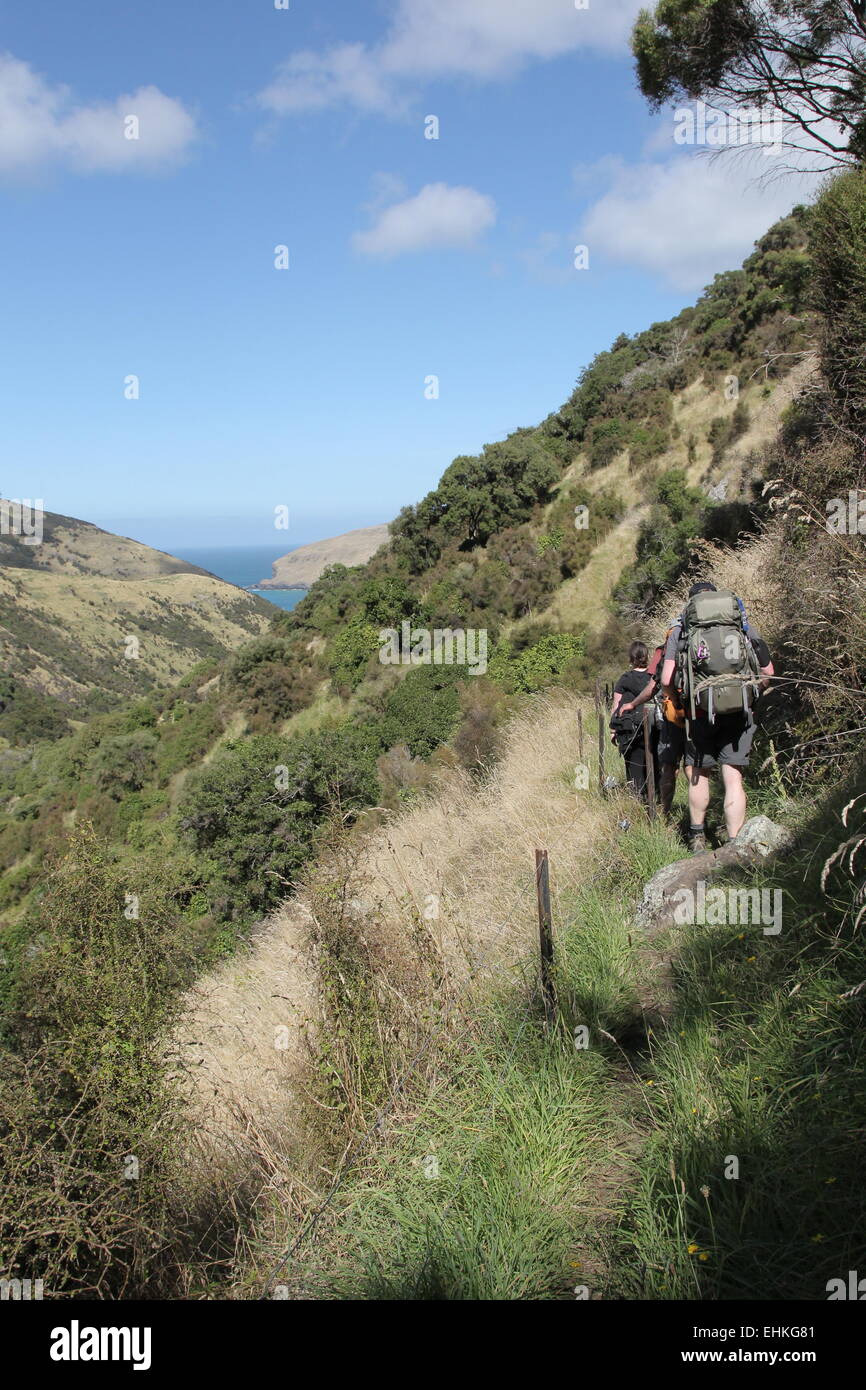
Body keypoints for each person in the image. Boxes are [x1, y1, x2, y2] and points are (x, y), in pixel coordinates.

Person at [659, 582, 774, 852]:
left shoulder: (681, 630)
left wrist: (678, 702)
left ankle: (697, 837)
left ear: (691, 606)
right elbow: (768, 672)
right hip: (738, 712)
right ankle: (734, 843)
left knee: (699, 773)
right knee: (732, 778)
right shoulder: (741, 625)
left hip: (698, 712)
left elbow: (666, 679)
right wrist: (751, 695)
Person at [610, 641, 655, 799]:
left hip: (629, 730)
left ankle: (636, 802)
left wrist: (613, 730)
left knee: (634, 768)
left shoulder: (625, 679)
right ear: (646, 656)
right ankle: (654, 800)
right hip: (652, 727)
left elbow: (616, 706)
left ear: (631, 658)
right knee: (653, 767)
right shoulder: (653, 678)